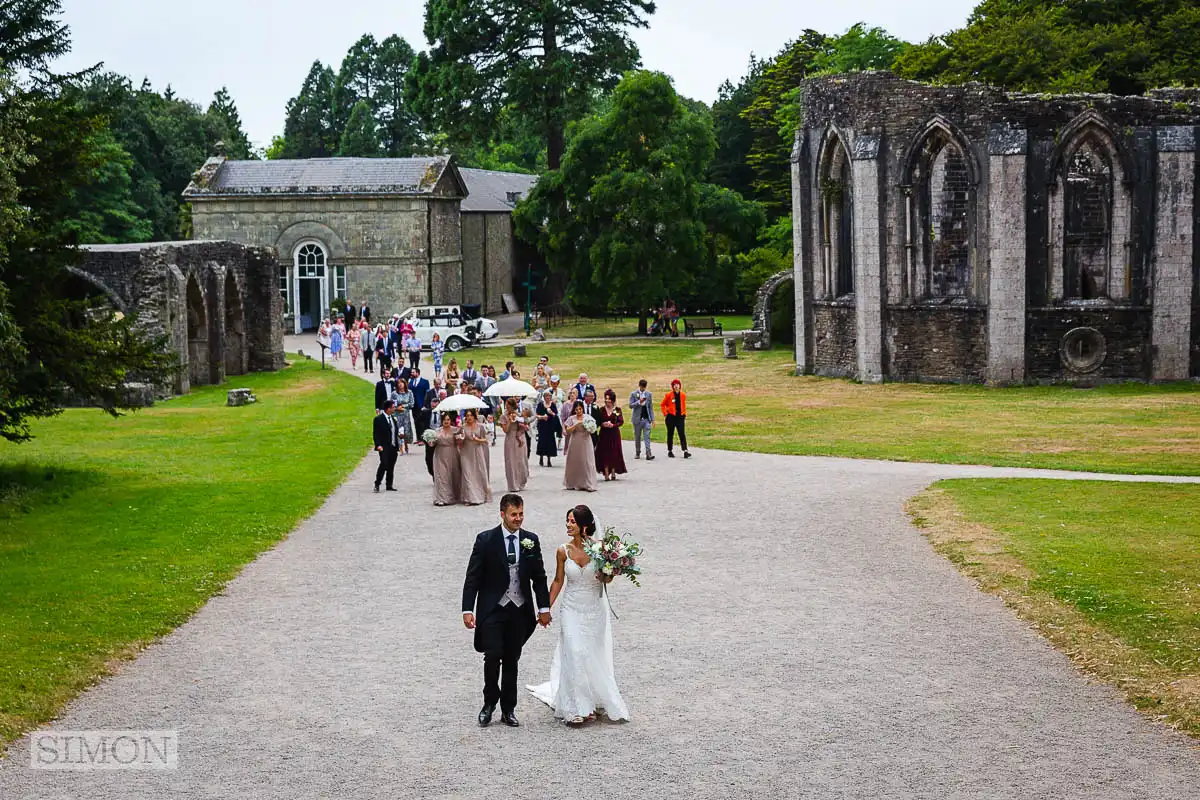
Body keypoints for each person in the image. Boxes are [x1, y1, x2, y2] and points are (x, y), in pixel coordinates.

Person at [527, 504, 629, 724]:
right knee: (573, 651)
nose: (568, 525)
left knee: (591, 654)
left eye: (572, 521)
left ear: (584, 526)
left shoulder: (602, 549)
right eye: (567, 520)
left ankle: (592, 699)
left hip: (594, 609)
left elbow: (606, 580)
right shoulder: (562, 551)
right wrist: (545, 608)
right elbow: (557, 581)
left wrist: (611, 570)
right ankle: (577, 707)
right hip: (571, 609)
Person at [462, 494, 552, 728]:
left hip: (519, 611)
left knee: (512, 659)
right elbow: (472, 578)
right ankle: (489, 703)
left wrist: (544, 607)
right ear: (502, 514)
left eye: (521, 514)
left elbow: (539, 578)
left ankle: (508, 709)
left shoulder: (530, 540)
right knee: (492, 656)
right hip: (493, 608)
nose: (518, 519)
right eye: (514, 515)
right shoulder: (485, 540)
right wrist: (467, 609)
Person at [458, 409, 492, 506]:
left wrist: (478, 440)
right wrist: (461, 439)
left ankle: (480, 495)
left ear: (474, 416)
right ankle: (468, 497)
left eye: (471, 415)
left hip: (477, 451)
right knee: (467, 474)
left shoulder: (480, 427)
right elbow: (458, 440)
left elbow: (486, 439)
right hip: (466, 453)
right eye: (467, 416)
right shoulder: (462, 427)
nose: (469, 418)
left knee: (478, 473)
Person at [562, 401, 598, 492]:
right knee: (575, 461)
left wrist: (588, 427)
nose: (578, 411)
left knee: (587, 461)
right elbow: (568, 431)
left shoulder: (588, 417)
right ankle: (572, 482)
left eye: (580, 409)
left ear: (583, 409)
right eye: (576, 409)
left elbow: (593, 429)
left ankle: (588, 483)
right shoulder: (571, 418)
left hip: (586, 441)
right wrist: (576, 425)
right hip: (575, 441)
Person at [594, 389, 627, 481]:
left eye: (609, 399)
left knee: (614, 453)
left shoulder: (617, 410)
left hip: (614, 434)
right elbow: (598, 421)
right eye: (606, 399)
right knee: (604, 453)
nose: (607, 401)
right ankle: (606, 473)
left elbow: (621, 421)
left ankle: (613, 472)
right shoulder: (601, 410)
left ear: (613, 400)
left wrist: (613, 425)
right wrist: (602, 424)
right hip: (604, 434)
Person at [432, 412, 461, 506]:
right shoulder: (437, 431)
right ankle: (442, 498)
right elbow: (432, 443)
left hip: (452, 454)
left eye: (448, 420)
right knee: (441, 476)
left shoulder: (455, 430)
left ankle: (454, 496)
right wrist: (430, 441)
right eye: (444, 420)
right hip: (440, 454)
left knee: (452, 475)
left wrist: (459, 438)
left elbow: (459, 442)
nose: (446, 421)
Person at [500, 398, 529, 493]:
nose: (507, 409)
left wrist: (521, 419)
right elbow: (505, 430)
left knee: (521, 461)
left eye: (509, 407)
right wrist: (509, 421)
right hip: (510, 439)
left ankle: (521, 481)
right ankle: (513, 484)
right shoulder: (503, 416)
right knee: (511, 462)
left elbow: (524, 425)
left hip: (519, 438)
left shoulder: (518, 414)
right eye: (506, 407)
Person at [372, 400, 400, 493]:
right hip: (384, 446)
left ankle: (389, 484)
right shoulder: (378, 419)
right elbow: (376, 434)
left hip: (393, 445)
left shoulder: (393, 418)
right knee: (384, 464)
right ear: (388, 409)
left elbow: (394, 431)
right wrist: (378, 445)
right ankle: (377, 483)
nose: (394, 409)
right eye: (393, 407)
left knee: (391, 465)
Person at [660, 378, 690, 458]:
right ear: (672, 387)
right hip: (671, 417)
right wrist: (665, 413)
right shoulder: (669, 395)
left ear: (680, 386)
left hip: (680, 417)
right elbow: (662, 404)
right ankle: (670, 450)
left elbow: (683, 405)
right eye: (674, 385)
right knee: (670, 434)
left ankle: (685, 450)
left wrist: (684, 414)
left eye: (677, 385)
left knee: (682, 433)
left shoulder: (683, 395)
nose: (676, 386)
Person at [629, 379, 655, 461]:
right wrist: (638, 402)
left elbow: (650, 407)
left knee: (647, 436)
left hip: (646, 418)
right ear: (639, 386)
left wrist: (653, 419)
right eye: (642, 387)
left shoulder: (649, 394)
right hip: (637, 419)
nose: (643, 389)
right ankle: (637, 452)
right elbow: (630, 405)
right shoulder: (633, 394)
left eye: (644, 387)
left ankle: (648, 453)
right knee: (637, 437)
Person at [535, 390, 559, 467]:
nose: (548, 398)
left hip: (550, 426)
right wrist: (542, 417)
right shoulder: (540, 404)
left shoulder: (553, 405)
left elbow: (556, 415)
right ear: (544, 397)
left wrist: (551, 412)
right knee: (542, 441)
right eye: (546, 396)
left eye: (549, 396)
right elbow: (537, 415)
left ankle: (549, 460)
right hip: (542, 426)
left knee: (550, 442)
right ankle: (541, 458)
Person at [391, 378, 415, 454]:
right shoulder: (394, 393)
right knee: (399, 431)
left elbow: (412, 403)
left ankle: (406, 444)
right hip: (397, 414)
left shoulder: (409, 392)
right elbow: (392, 404)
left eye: (402, 383)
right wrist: (397, 408)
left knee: (406, 431)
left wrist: (404, 406)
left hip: (406, 414)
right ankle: (400, 447)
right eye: (399, 383)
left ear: (405, 384)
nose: (400, 385)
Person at [558, 388, 578, 455]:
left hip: (577, 427)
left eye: (574, 393)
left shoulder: (579, 403)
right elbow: (563, 418)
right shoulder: (565, 404)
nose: (572, 394)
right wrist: (563, 429)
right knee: (568, 447)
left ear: (577, 395)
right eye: (570, 393)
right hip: (568, 427)